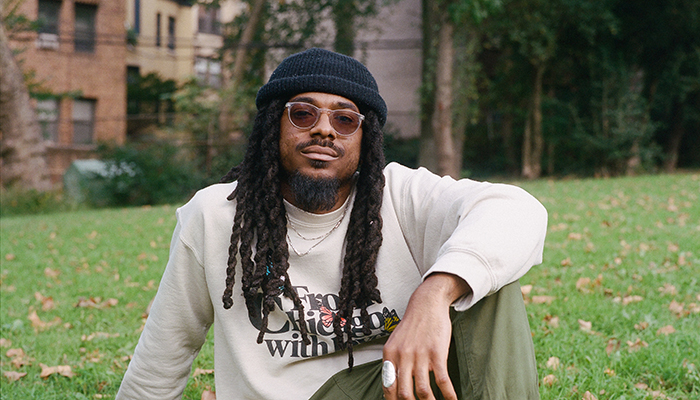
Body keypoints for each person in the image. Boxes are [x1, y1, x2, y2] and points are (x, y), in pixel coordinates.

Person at [116, 48, 547, 400]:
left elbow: (516, 209)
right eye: (303, 114)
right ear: (273, 125)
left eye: (344, 119)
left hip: (390, 389)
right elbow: (163, 358)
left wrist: (436, 292)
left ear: (365, 137)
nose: (324, 130)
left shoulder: (398, 193)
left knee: (481, 278)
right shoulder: (214, 216)